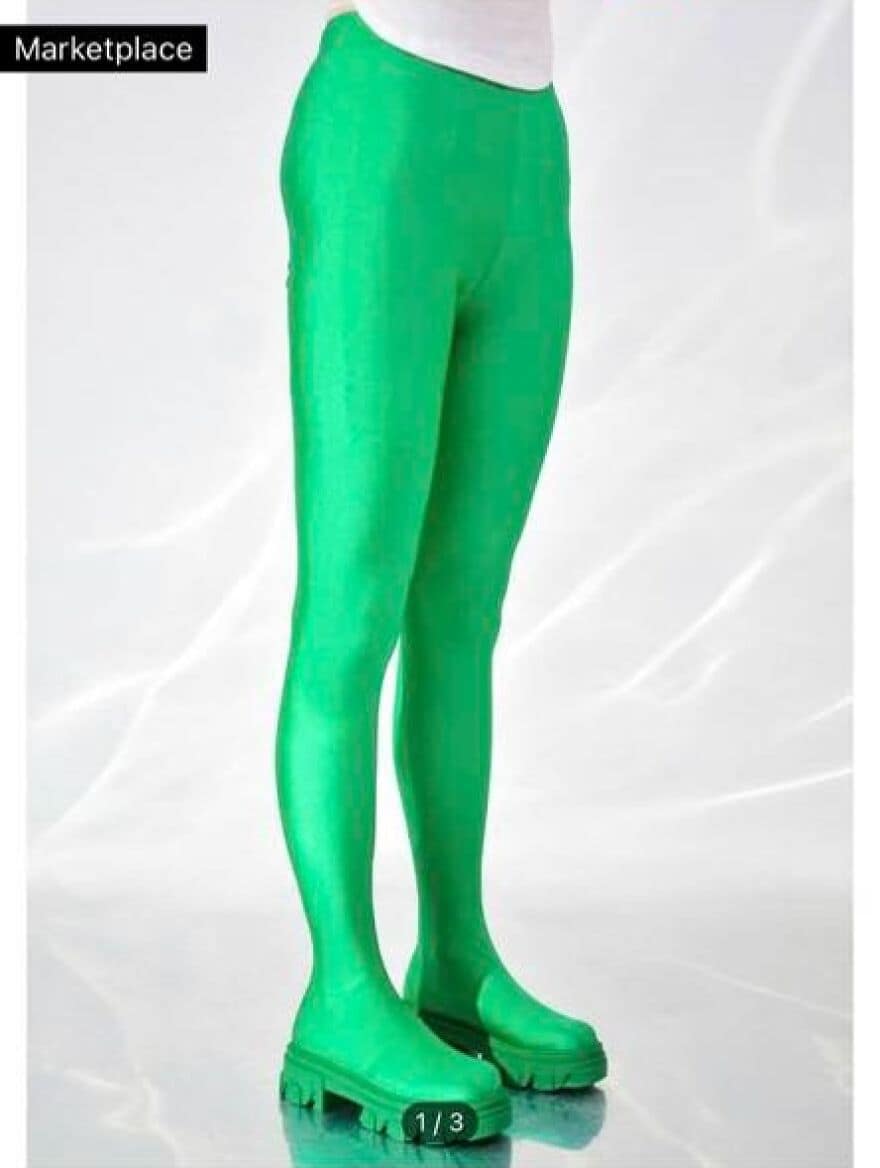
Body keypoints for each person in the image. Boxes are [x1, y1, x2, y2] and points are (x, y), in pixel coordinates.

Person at [275, 0, 606, 1144]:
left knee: (463, 606)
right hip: (386, 127)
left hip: (527, 144)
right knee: (351, 604)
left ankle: (456, 959)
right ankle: (340, 987)